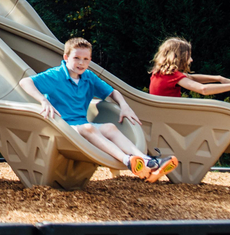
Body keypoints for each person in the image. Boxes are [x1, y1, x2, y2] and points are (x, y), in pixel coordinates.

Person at [19, 37, 180, 182]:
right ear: (66, 57)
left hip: (80, 125)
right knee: (88, 127)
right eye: (76, 58)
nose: (81, 63)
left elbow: (112, 92)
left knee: (110, 127)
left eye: (85, 59)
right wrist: (43, 101)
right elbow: (25, 82)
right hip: (61, 127)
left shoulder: (88, 77)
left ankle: (146, 162)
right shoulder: (55, 75)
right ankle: (128, 161)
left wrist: (124, 106)